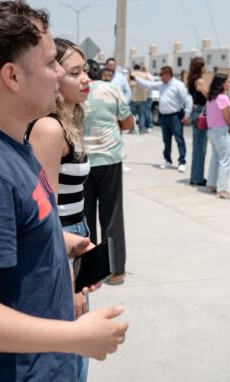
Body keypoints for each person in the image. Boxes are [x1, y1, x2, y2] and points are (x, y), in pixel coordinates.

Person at [0, 0, 128, 381]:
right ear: (12, 76)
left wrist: (59, 241)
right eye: (50, 63)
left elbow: (13, 226)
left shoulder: (11, 143)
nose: (60, 72)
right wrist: (76, 336)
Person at [27, 38, 93, 381]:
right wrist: (69, 278)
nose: (86, 79)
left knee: (78, 350)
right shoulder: (49, 128)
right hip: (59, 244)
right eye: (75, 72)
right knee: (68, 355)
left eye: (87, 71)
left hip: (75, 238)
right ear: (55, 76)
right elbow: (45, 210)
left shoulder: (72, 119)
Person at [83, 60, 133, 286]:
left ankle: (90, 271)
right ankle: (115, 271)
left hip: (81, 160)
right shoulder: (111, 89)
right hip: (109, 158)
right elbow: (127, 122)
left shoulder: (73, 92)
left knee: (85, 217)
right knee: (112, 215)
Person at [133, 66, 192, 172]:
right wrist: (135, 79)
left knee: (179, 140)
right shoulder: (161, 85)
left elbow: (187, 99)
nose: (160, 76)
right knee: (166, 141)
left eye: (161, 74)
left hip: (175, 116)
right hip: (164, 117)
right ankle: (167, 160)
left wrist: (187, 115)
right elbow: (148, 85)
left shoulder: (178, 85)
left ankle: (182, 162)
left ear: (168, 75)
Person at [204, 73, 230, 199]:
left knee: (215, 158)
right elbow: (227, 116)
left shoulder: (211, 98)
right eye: (227, 82)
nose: (229, 84)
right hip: (221, 131)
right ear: (221, 84)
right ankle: (222, 189)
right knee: (225, 160)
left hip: (211, 130)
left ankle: (211, 183)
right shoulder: (223, 98)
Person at [186, 57, 208, 186]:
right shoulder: (200, 81)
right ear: (200, 67)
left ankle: (195, 176)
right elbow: (209, 95)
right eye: (204, 65)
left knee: (197, 146)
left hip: (195, 112)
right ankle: (197, 178)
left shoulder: (191, 79)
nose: (205, 68)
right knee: (200, 147)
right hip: (201, 112)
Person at [129, 63, 152, 133]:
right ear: (139, 68)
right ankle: (142, 128)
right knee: (141, 114)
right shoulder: (144, 75)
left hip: (133, 98)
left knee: (133, 115)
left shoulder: (131, 74)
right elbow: (149, 84)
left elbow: (127, 84)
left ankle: (132, 129)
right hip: (142, 97)